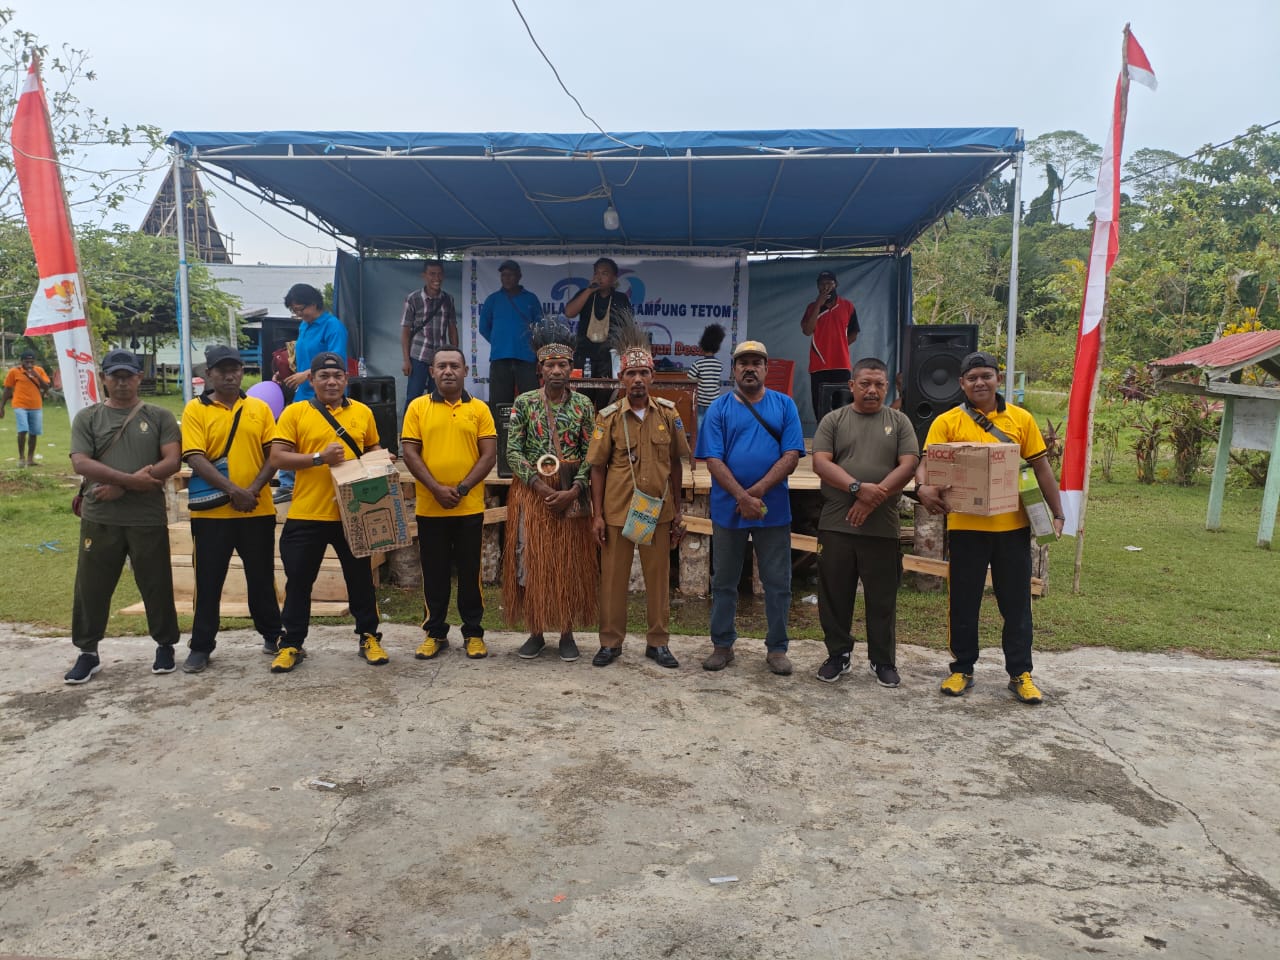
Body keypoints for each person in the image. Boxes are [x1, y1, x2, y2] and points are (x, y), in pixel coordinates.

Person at [915, 350, 1065, 704]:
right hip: (965, 526)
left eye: (987, 376)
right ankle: (961, 668)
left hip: (1012, 526)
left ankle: (1020, 673)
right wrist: (922, 488)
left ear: (999, 379)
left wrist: (1057, 513)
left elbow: (1042, 468)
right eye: (972, 377)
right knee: (963, 601)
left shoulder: (1021, 420)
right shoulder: (947, 422)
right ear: (961, 383)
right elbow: (927, 463)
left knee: (1016, 604)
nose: (980, 382)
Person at [63, 349, 182, 684]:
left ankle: (165, 645)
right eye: (115, 376)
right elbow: (81, 463)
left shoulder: (159, 416)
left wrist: (122, 488)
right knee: (92, 586)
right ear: (103, 378)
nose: (122, 382)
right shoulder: (88, 418)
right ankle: (88, 652)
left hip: (146, 517)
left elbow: (172, 461)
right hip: (101, 515)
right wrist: (129, 482)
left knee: (156, 582)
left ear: (138, 377)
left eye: (128, 376)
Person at [267, 352, 387, 673]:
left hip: (353, 513)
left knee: (361, 580)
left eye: (337, 376)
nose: (331, 381)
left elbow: (373, 447)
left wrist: (378, 465)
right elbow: (277, 458)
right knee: (299, 582)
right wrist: (319, 458)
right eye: (324, 376)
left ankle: (368, 637)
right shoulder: (295, 413)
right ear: (312, 380)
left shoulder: (362, 412)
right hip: (308, 512)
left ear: (346, 380)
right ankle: (291, 642)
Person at [694, 341, 805, 675]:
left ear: (766, 369)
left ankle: (776, 649)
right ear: (734, 369)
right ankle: (722, 645)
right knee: (725, 579)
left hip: (773, 509)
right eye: (743, 363)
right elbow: (712, 459)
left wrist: (754, 493)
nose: (750, 368)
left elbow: (791, 456)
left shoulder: (785, 406)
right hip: (729, 508)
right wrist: (742, 498)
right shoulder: (718, 408)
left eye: (757, 362)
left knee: (777, 581)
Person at [811, 358, 919, 686]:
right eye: (865, 384)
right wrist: (857, 488)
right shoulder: (834, 420)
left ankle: (882, 660)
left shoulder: (899, 422)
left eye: (879, 385)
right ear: (852, 386)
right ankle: (838, 654)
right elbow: (820, 462)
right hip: (836, 523)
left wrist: (874, 497)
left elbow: (910, 463)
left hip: (881, 525)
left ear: (887, 387)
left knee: (882, 596)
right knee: (834, 594)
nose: (872, 390)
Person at [586, 330, 690, 669]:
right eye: (631, 373)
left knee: (658, 580)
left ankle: (657, 642)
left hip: (658, 511)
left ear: (653, 377)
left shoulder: (669, 415)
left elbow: (675, 464)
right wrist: (597, 514)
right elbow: (597, 469)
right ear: (621, 378)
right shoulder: (609, 417)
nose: (638, 380)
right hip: (617, 511)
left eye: (644, 373)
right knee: (613, 579)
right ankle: (610, 642)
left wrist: (677, 509)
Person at [178, 345, 282, 673]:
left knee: (262, 577)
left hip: (257, 509)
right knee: (208, 580)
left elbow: (273, 455)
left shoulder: (259, 409)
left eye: (235, 368)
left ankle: (272, 634)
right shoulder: (195, 410)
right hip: (212, 514)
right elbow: (194, 457)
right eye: (222, 369)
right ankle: (201, 645)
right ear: (208, 374)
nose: (230, 375)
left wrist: (251, 491)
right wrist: (233, 491)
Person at [503, 323, 598, 663]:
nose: (557, 370)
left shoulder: (585, 405)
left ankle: (568, 632)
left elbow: (593, 452)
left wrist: (574, 489)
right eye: (550, 364)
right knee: (533, 561)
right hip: (534, 494)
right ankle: (536, 631)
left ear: (571, 367)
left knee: (570, 563)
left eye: (563, 364)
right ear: (540, 369)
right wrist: (542, 487)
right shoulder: (525, 403)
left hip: (572, 493)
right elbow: (513, 451)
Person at [400, 347, 497, 661]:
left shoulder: (480, 409)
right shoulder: (417, 407)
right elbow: (410, 453)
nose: (448, 371)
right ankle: (435, 632)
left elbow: (489, 454)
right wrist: (435, 488)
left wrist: (463, 487)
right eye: (441, 366)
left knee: (471, 573)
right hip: (431, 507)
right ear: (432, 372)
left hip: (469, 508)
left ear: (465, 371)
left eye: (454, 365)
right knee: (435, 572)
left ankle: (473, 633)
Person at [274, 283, 348, 503]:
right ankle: (288, 484)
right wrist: (286, 372)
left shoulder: (333, 326)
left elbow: (335, 359)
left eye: (301, 309)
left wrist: (306, 375)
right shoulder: (305, 326)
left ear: (314, 304)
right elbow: (303, 355)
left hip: (326, 390)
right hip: (304, 390)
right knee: (292, 432)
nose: (299, 314)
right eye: (294, 311)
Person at [479, 259, 542, 408]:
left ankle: (531, 431)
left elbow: (540, 328)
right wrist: (499, 342)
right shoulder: (492, 300)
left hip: (527, 357)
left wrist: (533, 348)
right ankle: (501, 432)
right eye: (503, 275)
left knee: (531, 401)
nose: (507, 278)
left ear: (519, 276)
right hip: (500, 358)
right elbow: (483, 328)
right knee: (500, 403)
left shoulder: (531, 298)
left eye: (511, 275)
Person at [801, 269, 859, 424]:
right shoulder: (812, 307)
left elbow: (854, 333)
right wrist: (819, 303)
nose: (826, 286)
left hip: (841, 364)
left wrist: (838, 345)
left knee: (843, 405)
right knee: (820, 407)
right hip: (819, 365)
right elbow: (807, 330)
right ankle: (823, 438)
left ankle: (843, 439)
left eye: (829, 283)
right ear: (818, 287)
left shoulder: (848, 306)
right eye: (822, 284)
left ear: (836, 284)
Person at [400, 259, 458, 406]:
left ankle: (435, 428)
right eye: (432, 274)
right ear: (424, 275)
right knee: (413, 397)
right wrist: (406, 360)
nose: (436, 278)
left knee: (439, 397)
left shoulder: (448, 299)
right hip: (418, 356)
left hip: (440, 357)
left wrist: (455, 355)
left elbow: (452, 329)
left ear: (443, 276)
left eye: (439, 274)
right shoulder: (413, 299)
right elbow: (406, 332)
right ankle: (410, 429)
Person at [566, 257, 631, 377]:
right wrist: (589, 291)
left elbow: (628, 328)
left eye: (604, 273)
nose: (599, 277)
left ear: (614, 278)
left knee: (607, 394)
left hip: (610, 358)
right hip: (585, 357)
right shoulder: (585, 294)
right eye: (596, 273)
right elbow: (569, 313)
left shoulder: (620, 298)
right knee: (584, 393)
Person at [1, 350, 52, 467]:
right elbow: (7, 389)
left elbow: (46, 386)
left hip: (36, 406)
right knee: (22, 430)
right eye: (26, 362)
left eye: (31, 362)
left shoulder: (39, 370)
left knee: (34, 432)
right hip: (20, 405)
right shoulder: (14, 372)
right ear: (21, 361)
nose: (29, 364)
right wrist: (2, 406)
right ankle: (21, 458)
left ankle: (30, 459)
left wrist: (36, 375)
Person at [687, 323, 726, 431]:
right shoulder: (719, 364)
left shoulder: (698, 364)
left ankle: (700, 443)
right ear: (717, 348)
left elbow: (689, 379)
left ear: (702, 347)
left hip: (700, 401)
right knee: (712, 424)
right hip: (714, 401)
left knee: (699, 422)